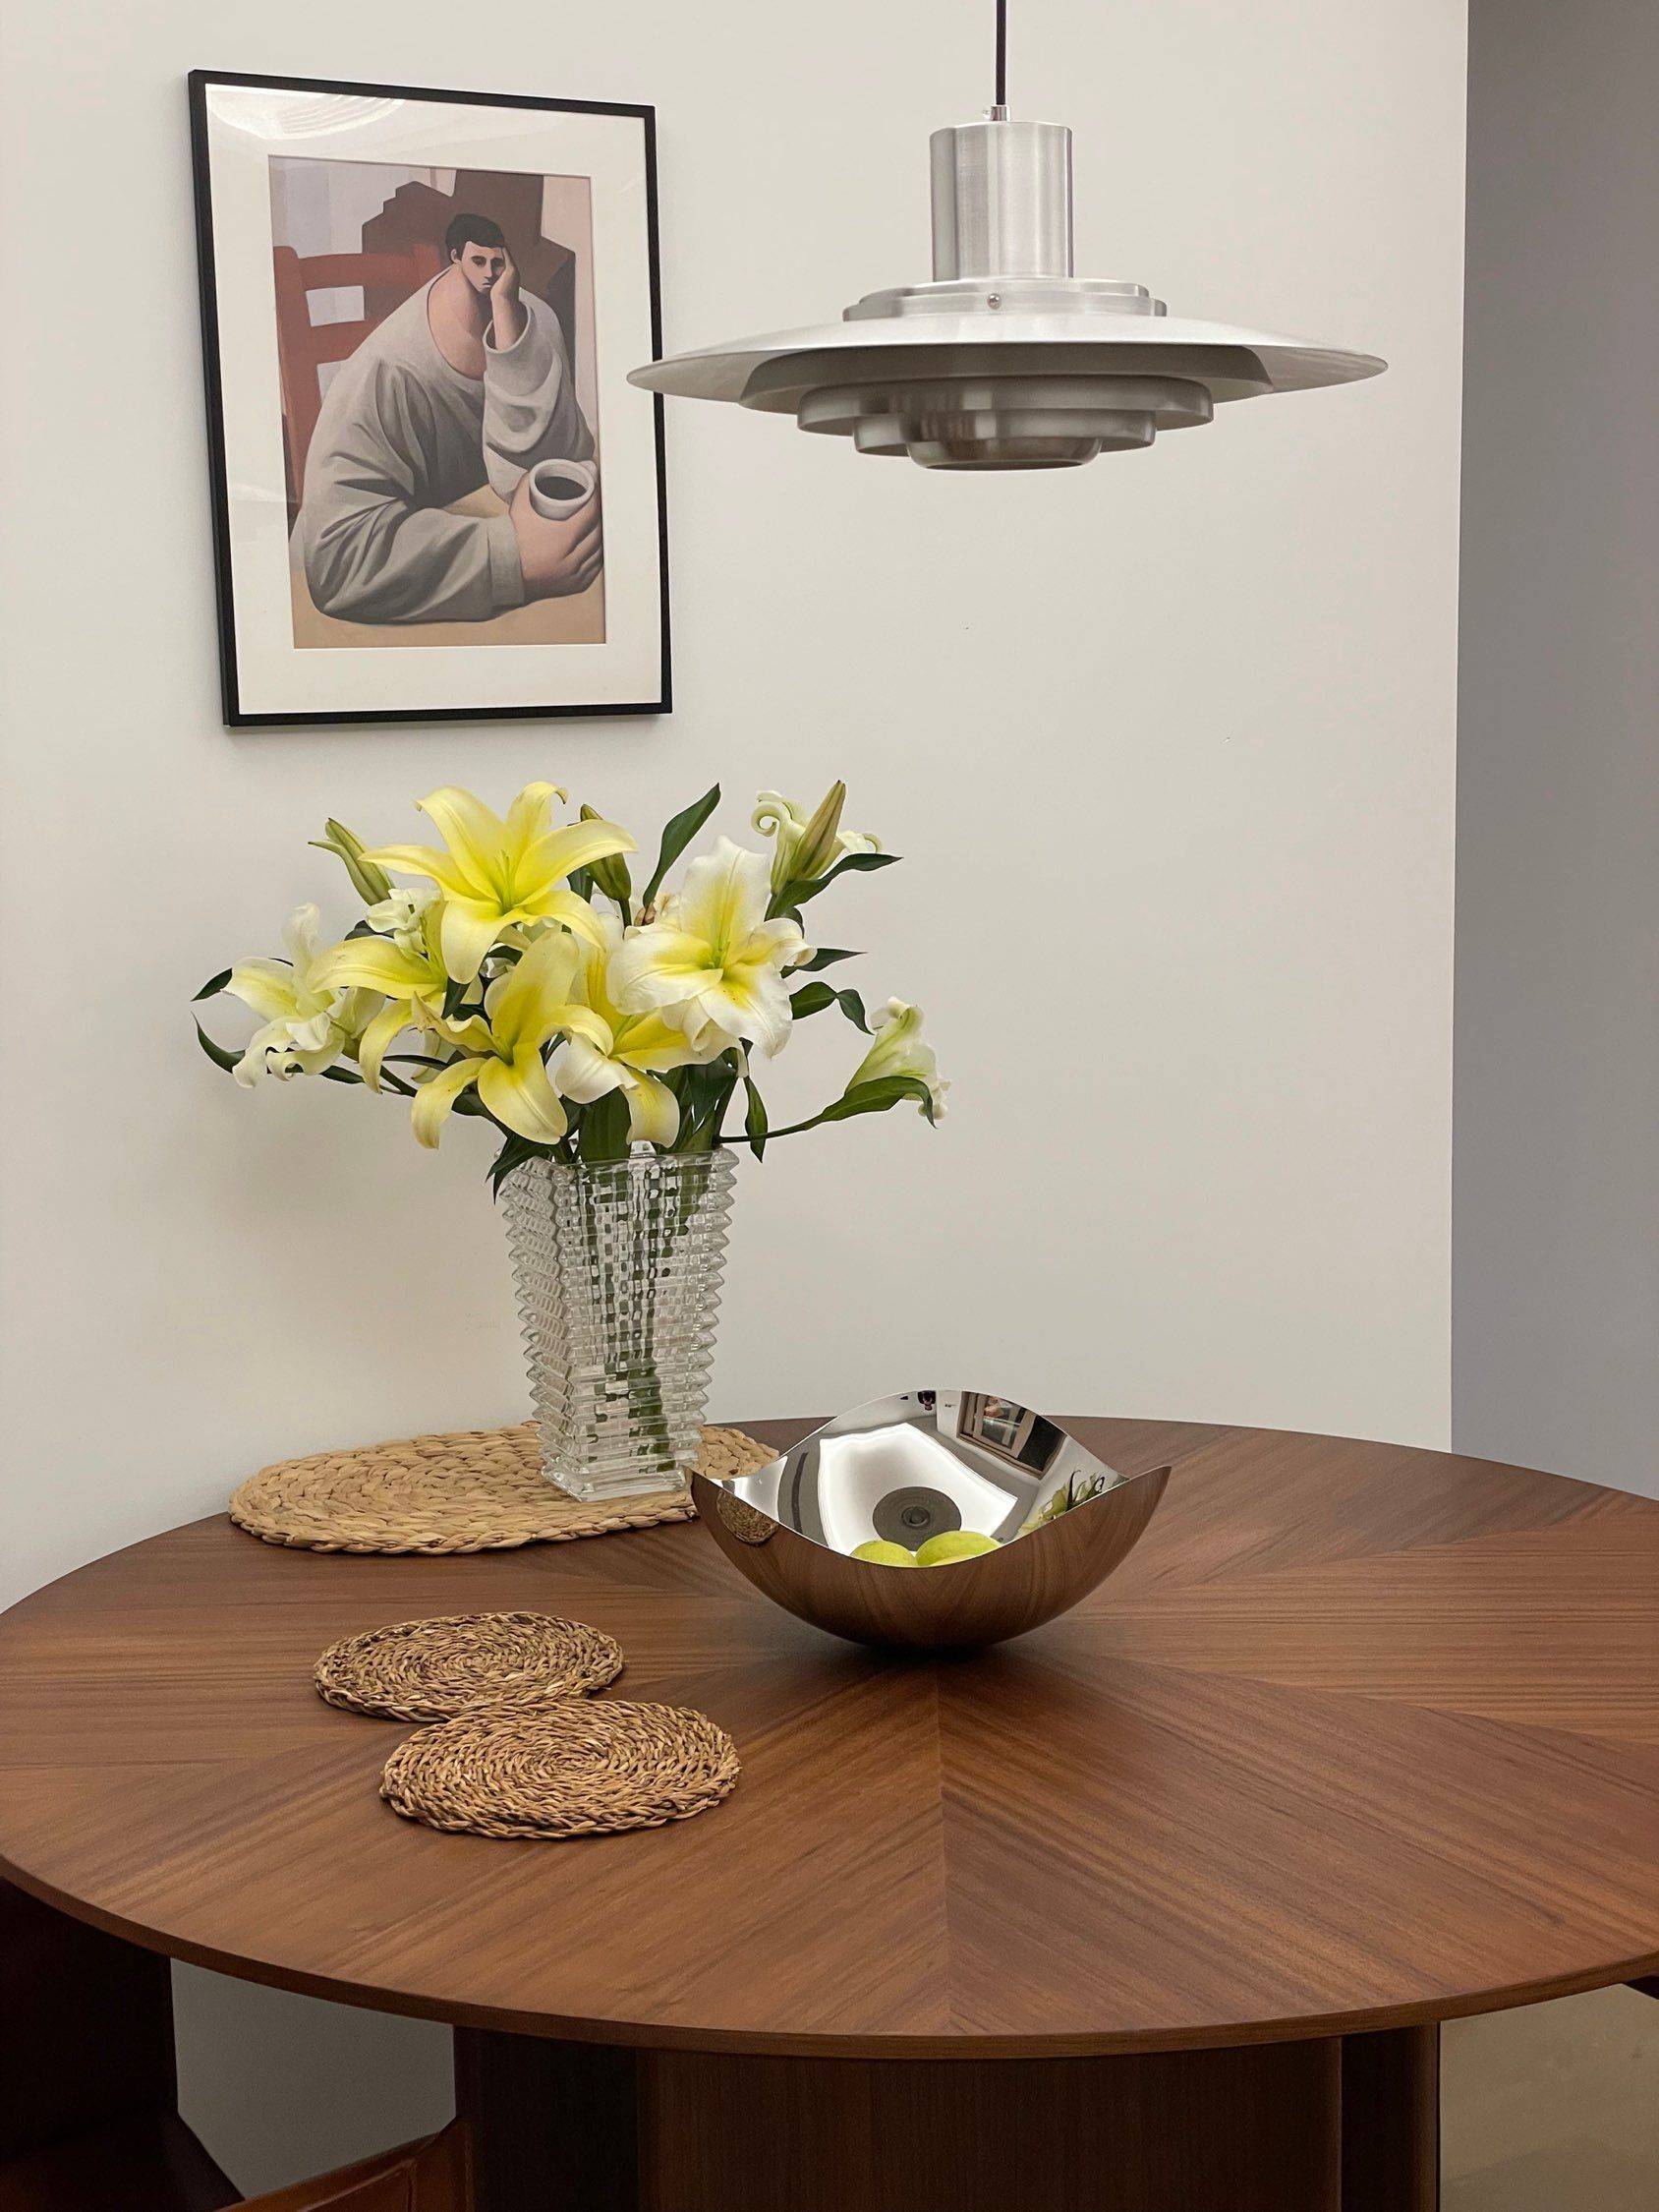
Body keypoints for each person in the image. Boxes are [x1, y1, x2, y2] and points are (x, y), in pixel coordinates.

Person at [295, 213, 601, 624]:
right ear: (455, 257)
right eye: (478, 262)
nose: (490, 274)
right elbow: (337, 560)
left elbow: (534, 477)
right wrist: (510, 558)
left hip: (463, 555)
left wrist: (510, 336)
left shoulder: (535, 320)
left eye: (498, 263)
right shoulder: (383, 373)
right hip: (345, 605)